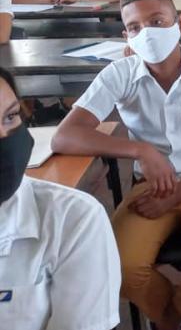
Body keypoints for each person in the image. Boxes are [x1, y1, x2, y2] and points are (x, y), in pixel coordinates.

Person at [52, 0, 181, 330]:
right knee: (119, 265)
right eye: (135, 27)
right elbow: (65, 135)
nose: (147, 33)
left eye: (157, 22)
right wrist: (139, 149)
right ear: (126, 35)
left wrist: (177, 194)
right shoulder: (120, 74)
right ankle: (177, 318)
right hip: (152, 185)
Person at [0, 67, 121, 330]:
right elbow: (67, 134)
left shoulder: (72, 219)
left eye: (10, 117)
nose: (4, 140)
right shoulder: (120, 72)